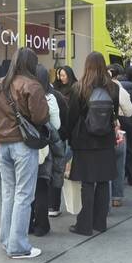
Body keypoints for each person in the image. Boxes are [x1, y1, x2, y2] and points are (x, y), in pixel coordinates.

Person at [0, 48, 49, 259]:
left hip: (2, 146)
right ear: (31, 64)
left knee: (8, 194)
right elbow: (41, 117)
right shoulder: (32, 85)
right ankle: (18, 247)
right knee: (24, 195)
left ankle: (7, 241)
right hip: (23, 146)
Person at [67, 52, 119, 235]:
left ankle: (84, 225)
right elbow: (114, 115)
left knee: (87, 184)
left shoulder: (78, 87)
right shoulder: (113, 88)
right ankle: (100, 223)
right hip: (106, 141)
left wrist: (68, 138)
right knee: (103, 182)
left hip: (84, 141)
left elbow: (72, 117)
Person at [29, 64, 61, 237]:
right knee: (41, 187)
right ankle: (41, 226)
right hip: (42, 148)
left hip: (23, 147)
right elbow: (56, 125)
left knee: (25, 189)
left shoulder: (22, 94)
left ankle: (26, 224)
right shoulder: (49, 98)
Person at [49, 65, 77, 217]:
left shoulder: (74, 89)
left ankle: (53, 205)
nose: (61, 78)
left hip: (63, 132)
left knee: (58, 165)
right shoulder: (56, 90)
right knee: (56, 166)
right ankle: (53, 205)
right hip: (59, 133)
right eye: (60, 75)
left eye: (64, 75)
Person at [107, 64, 132, 207]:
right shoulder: (120, 90)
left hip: (99, 132)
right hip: (117, 130)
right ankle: (116, 197)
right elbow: (129, 111)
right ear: (117, 75)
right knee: (118, 163)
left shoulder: (96, 87)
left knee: (104, 165)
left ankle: (104, 198)